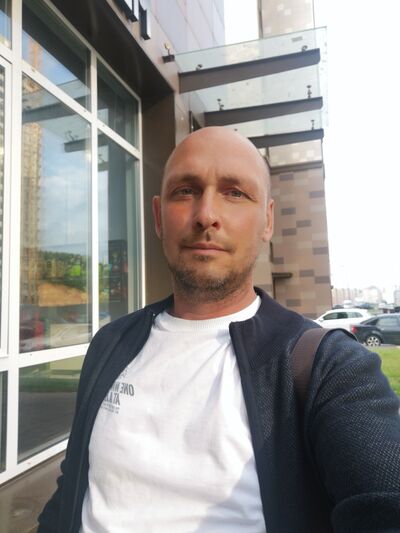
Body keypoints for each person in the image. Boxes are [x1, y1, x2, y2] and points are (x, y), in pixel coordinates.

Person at [38, 127, 400, 533]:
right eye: (185, 191)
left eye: (235, 193)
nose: (206, 214)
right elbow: (73, 488)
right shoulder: (110, 344)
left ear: (267, 220)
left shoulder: (326, 367)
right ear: (158, 217)